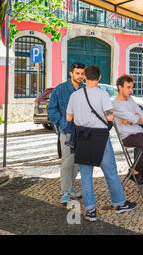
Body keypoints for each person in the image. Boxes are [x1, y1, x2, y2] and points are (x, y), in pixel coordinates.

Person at [66, 65, 136, 222]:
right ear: (99, 78)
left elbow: (69, 117)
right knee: (110, 172)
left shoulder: (75, 95)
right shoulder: (102, 94)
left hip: (82, 138)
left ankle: (90, 211)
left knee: (85, 175)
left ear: (85, 77)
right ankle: (119, 204)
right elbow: (110, 117)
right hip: (100, 138)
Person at [47, 62, 85, 206]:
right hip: (67, 131)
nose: (80, 76)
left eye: (82, 73)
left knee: (77, 162)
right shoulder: (60, 89)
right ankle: (65, 191)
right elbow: (51, 109)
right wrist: (62, 123)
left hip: (82, 131)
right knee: (67, 162)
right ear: (71, 73)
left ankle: (70, 189)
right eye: (77, 73)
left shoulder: (85, 89)